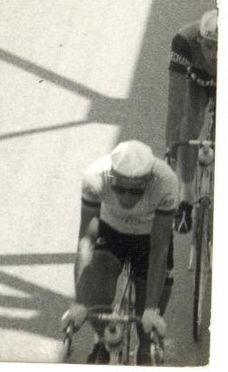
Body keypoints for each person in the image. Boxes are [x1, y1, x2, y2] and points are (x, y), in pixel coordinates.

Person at [63, 140, 177, 366]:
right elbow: (86, 239)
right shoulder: (95, 176)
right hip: (111, 230)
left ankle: (144, 346)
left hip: (150, 236)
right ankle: (102, 339)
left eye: (135, 191)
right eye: (119, 189)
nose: (126, 198)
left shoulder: (166, 181)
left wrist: (152, 309)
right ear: (110, 177)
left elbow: (160, 248)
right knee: (99, 278)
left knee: (148, 334)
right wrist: (79, 301)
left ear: (149, 180)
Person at [164, 10, 217, 237]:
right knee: (188, 128)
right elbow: (175, 104)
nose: (215, 55)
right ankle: (186, 198)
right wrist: (172, 148)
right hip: (196, 82)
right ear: (199, 40)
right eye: (209, 46)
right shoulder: (184, 41)